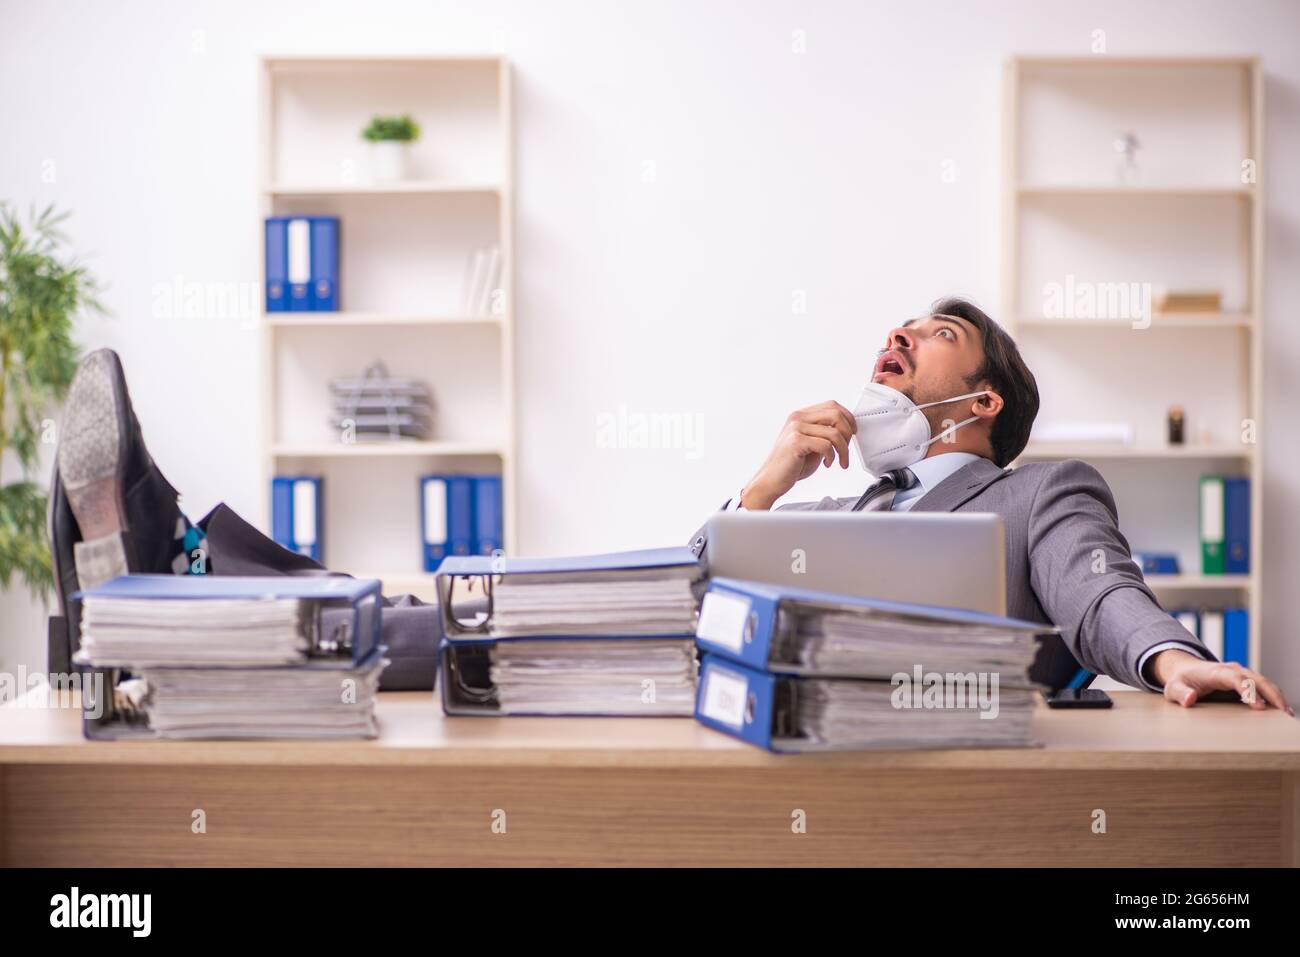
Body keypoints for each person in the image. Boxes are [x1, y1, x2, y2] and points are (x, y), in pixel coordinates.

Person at [688, 297, 1290, 713]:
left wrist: (1171, 659)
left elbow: (1100, 592)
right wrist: (762, 489)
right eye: (900, 331)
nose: (897, 337)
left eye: (940, 334)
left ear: (985, 402)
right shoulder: (815, 521)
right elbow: (686, 596)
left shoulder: (1037, 495)